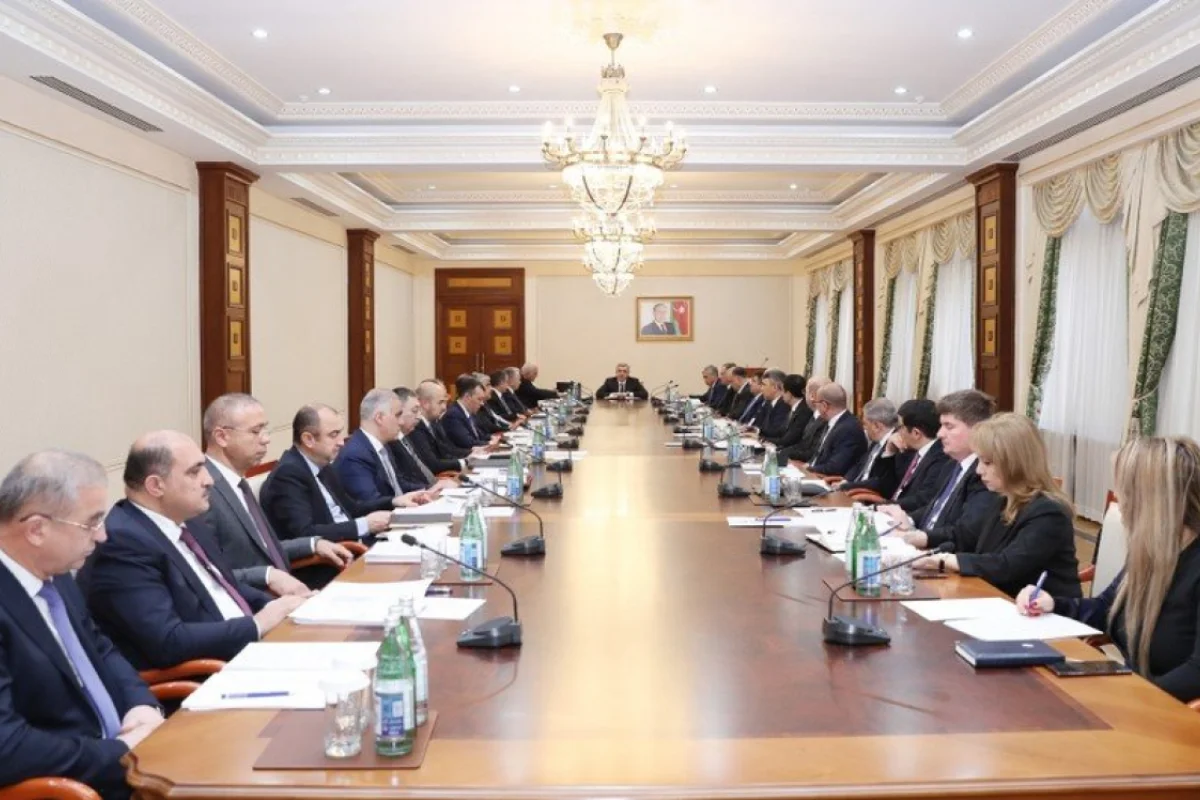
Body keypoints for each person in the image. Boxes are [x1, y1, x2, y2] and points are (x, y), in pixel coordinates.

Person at [0, 450, 163, 799]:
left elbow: (99, 648)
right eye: (91, 522)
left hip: (129, 763)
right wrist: (120, 752)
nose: (102, 536)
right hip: (70, 787)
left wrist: (140, 704)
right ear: (36, 530)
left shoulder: (56, 573)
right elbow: (7, 746)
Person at [80, 431, 305, 670]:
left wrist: (284, 606)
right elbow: (168, 641)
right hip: (214, 670)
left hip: (252, 646)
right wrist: (257, 624)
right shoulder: (123, 543)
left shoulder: (187, 519)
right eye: (194, 472)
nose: (209, 480)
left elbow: (227, 586)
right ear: (156, 485)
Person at [1017, 436, 1200, 703]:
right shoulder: (1153, 552)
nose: (1118, 500)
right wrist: (1053, 604)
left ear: (1149, 499)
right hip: (1139, 697)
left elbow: (1195, 674)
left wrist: (1127, 700)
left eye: (1123, 490)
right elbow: (1107, 609)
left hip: (1168, 713)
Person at [193, 394, 351, 595]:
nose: (266, 439)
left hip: (286, 594)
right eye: (255, 431)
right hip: (255, 604)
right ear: (222, 437)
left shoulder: (237, 483)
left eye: (265, 430)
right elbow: (206, 574)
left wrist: (313, 544)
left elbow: (263, 549)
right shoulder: (203, 490)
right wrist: (267, 575)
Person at [913, 413, 1080, 599]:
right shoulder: (1001, 499)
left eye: (987, 462)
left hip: (1041, 611)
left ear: (1015, 463)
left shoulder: (1049, 512)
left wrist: (946, 560)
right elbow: (967, 539)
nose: (978, 470)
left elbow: (1007, 565)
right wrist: (922, 547)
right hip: (998, 600)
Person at [259, 404, 394, 549]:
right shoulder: (288, 474)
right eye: (333, 435)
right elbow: (305, 534)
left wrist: (393, 502)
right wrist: (364, 525)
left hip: (355, 546)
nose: (341, 442)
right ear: (308, 439)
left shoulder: (323, 464)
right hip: (331, 558)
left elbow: (352, 508)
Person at [889, 389, 997, 552]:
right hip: (921, 545)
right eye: (941, 426)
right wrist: (907, 519)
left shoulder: (984, 474)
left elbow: (966, 533)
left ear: (977, 429)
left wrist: (919, 537)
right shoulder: (951, 464)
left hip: (942, 556)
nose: (940, 434)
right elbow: (935, 508)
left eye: (949, 426)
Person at [335, 389, 439, 509]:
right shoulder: (355, 455)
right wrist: (396, 501)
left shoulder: (383, 445)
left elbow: (398, 484)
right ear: (379, 418)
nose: (401, 422)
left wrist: (427, 491)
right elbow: (370, 503)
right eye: (398, 415)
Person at [387, 388, 461, 492]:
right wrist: (430, 488)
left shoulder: (406, 436)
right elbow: (402, 484)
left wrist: (437, 483)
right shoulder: (390, 443)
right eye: (414, 411)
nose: (419, 416)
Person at [410, 379, 489, 474]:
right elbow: (433, 464)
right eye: (440, 402)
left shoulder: (433, 423)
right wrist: (465, 461)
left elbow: (447, 449)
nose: (444, 407)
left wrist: (471, 451)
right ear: (425, 404)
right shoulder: (415, 427)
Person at [886, 398, 951, 512]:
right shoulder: (910, 451)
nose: (897, 432)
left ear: (916, 433)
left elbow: (923, 499)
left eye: (900, 427)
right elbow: (888, 484)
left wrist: (881, 507)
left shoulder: (941, 458)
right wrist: (890, 451)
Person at [837, 397, 901, 496]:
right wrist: (846, 480)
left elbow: (878, 482)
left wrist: (847, 486)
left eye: (865, 424)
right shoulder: (876, 440)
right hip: (852, 490)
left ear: (877, 426)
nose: (864, 428)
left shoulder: (895, 446)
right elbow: (860, 465)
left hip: (864, 496)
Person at [802, 383, 868, 477]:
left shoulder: (848, 429)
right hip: (815, 473)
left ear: (824, 405)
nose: (816, 407)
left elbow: (835, 468)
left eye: (816, 403)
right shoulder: (830, 421)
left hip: (829, 480)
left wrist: (809, 469)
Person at [780, 376, 829, 463]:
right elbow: (802, 444)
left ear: (812, 396)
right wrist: (782, 451)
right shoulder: (814, 415)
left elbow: (812, 452)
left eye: (805, 392)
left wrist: (784, 453)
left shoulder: (824, 419)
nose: (803, 395)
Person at [442, 375, 496, 449]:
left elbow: (479, 435)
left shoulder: (469, 412)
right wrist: (490, 443)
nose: (482, 403)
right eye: (479, 399)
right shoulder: (453, 415)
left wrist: (493, 438)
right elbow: (467, 442)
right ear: (467, 397)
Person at [764, 374, 809, 450]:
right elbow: (780, 431)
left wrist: (762, 439)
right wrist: (758, 433)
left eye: (783, 391)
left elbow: (787, 441)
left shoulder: (804, 412)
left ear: (789, 393)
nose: (781, 394)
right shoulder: (795, 408)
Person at [754, 370, 791, 440]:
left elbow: (775, 432)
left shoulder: (784, 405)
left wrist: (757, 433)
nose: (761, 389)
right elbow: (759, 424)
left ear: (775, 387)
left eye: (764, 385)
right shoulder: (768, 403)